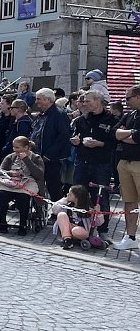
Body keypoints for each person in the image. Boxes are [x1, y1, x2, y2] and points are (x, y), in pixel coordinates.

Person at [70, 89, 118, 241]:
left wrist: (100, 143)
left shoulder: (113, 120)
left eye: (87, 101)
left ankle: (103, 231)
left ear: (98, 101)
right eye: (83, 101)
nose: (84, 104)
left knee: (100, 197)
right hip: (82, 162)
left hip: (101, 165)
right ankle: (78, 227)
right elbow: (75, 136)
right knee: (78, 195)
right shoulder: (81, 119)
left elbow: (115, 143)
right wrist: (75, 141)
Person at [0, 136, 46, 236]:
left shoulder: (36, 158)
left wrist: (26, 160)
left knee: (24, 197)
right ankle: (2, 222)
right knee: (1, 194)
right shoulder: (10, 157)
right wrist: (10, 173)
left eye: (17, 147)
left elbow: (39, 174)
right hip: (10, 182)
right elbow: (0, 171)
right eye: (14, 147)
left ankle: (23, 225)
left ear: (26, 147)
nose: (14, 150)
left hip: (28, 181)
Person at [110, 85, 140, 250]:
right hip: (124, 162)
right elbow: (115, 133)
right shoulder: (130, 115)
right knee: (129, 201)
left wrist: (126, 135)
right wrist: (129, 134)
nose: (125, 101)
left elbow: (137, 138)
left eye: (128, 98)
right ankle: (131, 237)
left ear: (138, 97)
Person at [29, 88, 71, 203]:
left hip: (51, 159)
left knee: (54, 187)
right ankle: (39, 209)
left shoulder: (59, 114)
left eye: (39, 99)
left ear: (47, 100)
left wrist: (49, 155)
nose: (36, 102)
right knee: (36, 185)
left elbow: (63, 137)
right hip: (37, 157)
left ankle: (59, 212)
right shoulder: (41, 115)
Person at [52, 184, 96, 250]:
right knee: (61, 215)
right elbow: (55, 210)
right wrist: (65, 200)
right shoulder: (67, 205)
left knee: (76, 230)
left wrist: (98, 214)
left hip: (81, 230)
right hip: (68, 228)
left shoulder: (87, 209)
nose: (67, 194)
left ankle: (77, 239)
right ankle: (67, 239)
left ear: (77, 197)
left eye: (70, 194)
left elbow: (98, 223)